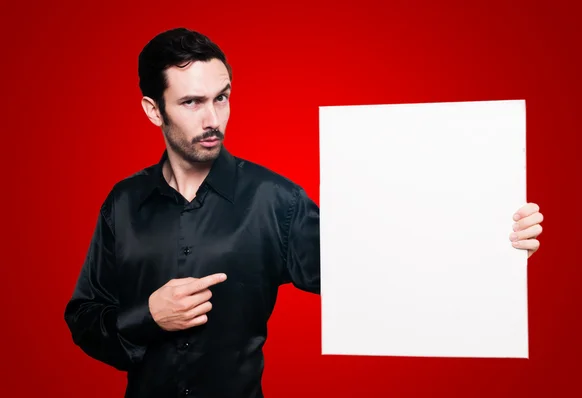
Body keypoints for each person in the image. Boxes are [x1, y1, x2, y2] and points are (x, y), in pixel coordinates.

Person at [64, 27, 544, 398]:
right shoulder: (122, 203)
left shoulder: (275, 200)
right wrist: (149, 315)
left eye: (222, 97)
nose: (213, 119)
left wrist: (493, 238)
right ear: (153, 110)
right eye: (191, 102)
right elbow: (84, 318)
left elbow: (377, 266)